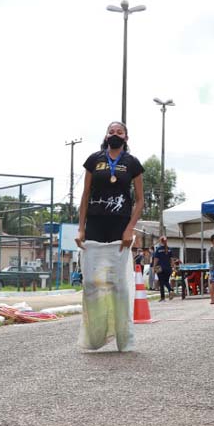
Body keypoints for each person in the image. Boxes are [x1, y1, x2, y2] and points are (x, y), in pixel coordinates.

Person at [75, 121, 145, 351]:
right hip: (95, 224)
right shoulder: (94, 160)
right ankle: (95, 336)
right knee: (92, 282)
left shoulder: (132, 163)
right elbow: (85, 195)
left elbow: (140, 200)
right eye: (111, 131)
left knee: (119, 283)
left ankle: (123, 337)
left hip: (119, 227)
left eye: (120, 132)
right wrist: (81, 228)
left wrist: (130, 228)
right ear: (106, 135)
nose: (115, 135)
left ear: (126, 137)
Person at [152, 236, 174, 301]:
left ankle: (163, 297)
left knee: (161, 282)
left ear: (160, 241)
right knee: (166, 281)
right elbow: (172, 260)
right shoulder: (170, 249)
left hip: (160, 268)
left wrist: (154, 267)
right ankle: (170, 290)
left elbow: (156, 259)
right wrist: (173, 267)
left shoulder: (158, 249)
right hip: (168, 268)